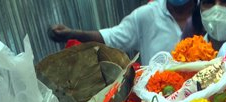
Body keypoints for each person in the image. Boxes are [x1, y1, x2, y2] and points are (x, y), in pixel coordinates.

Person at [48, 0, 195, 65]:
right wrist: (73, 33)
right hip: (160, 101)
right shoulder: (146, 15)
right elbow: (110, 38)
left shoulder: (210, 10)